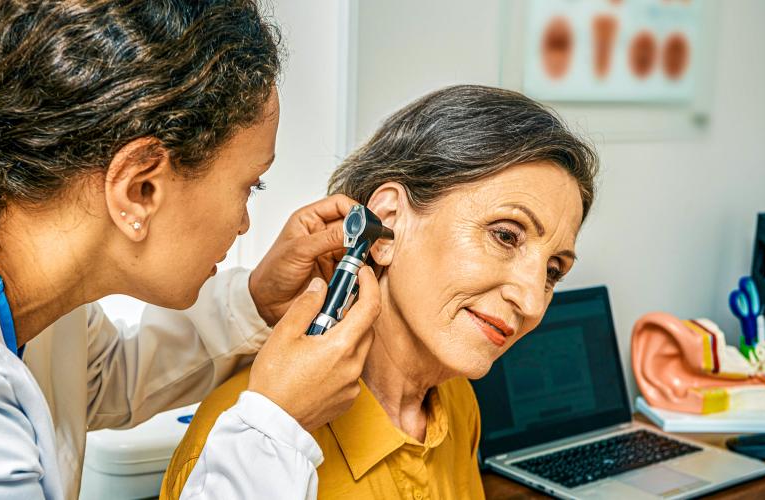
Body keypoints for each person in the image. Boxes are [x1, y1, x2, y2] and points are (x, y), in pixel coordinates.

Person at [0, 1, 381, 498]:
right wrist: (274, 428)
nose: (246, 218)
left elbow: (100, 380)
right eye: (250, 185)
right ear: (139, 186)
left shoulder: (18, 286)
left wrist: (254, 301)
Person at [161, 85, 599, 499]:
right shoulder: (243, 445)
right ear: (387, 224)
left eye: (553, 270)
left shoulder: (456, 402)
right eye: (506, 235)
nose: (532, 301)